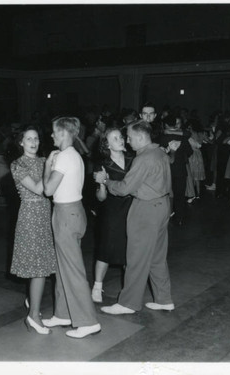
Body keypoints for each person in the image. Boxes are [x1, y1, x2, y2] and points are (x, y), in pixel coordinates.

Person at [94, 120, 174, 315]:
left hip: (146, 209)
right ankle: (164, 299)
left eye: (129, 137)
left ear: (140, 137)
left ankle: (128, 303)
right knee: (157, 257)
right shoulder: (159, 153)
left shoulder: (143, 158)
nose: (127, 141)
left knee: (136, 257)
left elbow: (124, 189)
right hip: (162, 205)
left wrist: (105, 180)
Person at [42, 116, 101, 339]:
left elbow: (48, 190)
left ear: (65, 133)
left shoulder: (64, 157)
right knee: (62, 266)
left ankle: (88, 321)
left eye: (54, 132)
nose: (51, 135)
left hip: (66, 214)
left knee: (72, 269)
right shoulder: (74, 155)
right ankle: (63, 313)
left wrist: (48, 165)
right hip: (72, 211)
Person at [10, 126, 57, 334]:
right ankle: (34, 316)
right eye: (28, 138)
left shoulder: (43, 160)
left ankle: (33, 299)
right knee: (37, 268)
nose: (33, 142)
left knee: (40, 265)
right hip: (30, 215)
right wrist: (50, 165)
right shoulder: (17, 164)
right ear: (21, 142)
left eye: (36, 138)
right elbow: (40, 189)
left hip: (46, 213)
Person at [91, 128, 133, 303]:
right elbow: (101, 198)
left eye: (121, 137)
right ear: (107, 144)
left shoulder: (133, 160)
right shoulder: (102, 165)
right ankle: (97, 287)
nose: (121, 140)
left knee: (129, 250)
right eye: (115, 138)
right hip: (112, 211)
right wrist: (101, 183)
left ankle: (129, 289)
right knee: (105, 249)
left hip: (132, 208)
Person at [158, 115, 193, 226]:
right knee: (180, 195)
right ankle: (179, 218)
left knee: (164, 194)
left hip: (165, 169)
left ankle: (164, 217)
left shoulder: (162, 138)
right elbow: (190, 152)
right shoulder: (183, 138)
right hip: (180, 170)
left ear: (166, 125)